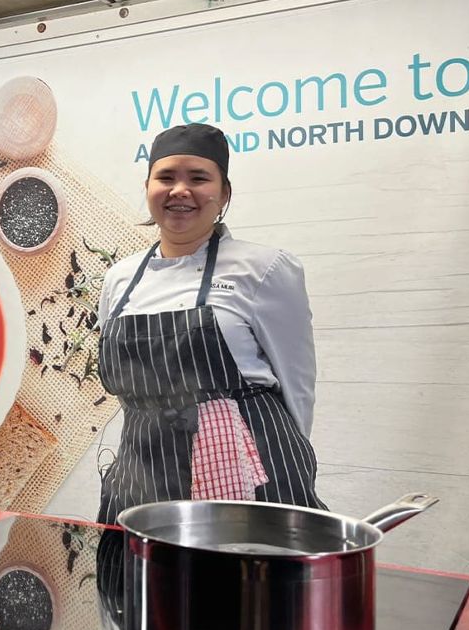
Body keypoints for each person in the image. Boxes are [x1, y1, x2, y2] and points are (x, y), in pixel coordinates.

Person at [95, 123, 324, 524]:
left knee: (247, 585)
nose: (180, 190)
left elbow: (297, 386)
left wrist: (287, 462)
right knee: (135, 583)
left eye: (199, 178)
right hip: (142, 472)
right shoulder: (120, 278)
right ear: (147, 187)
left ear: (224, 194)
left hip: (246, 477)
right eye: (166, 177)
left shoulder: (265, 268)